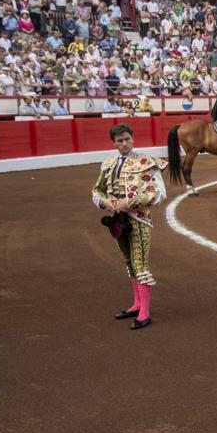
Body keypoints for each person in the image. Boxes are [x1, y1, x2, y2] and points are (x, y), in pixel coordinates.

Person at [90, 123, 168, 330]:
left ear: (133, 138)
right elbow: (96, 190)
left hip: (139, 219)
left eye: (127, 139)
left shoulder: (147, 162)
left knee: (140, 262)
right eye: (119, 140)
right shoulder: (108, 164)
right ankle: (136, 304)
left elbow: (159, 194)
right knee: (129, 261)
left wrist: (129, 203)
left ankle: (145, 313)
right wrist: (104, 202)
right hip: (117, 219)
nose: (124, 143)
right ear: (114, 143)